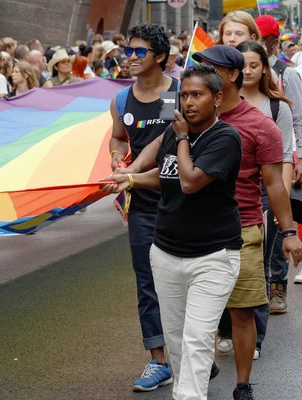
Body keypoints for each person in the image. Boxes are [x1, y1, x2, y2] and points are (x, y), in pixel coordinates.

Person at [123, 44, 302, 400]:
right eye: (197, 69)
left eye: (211, 69)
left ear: (227, 82)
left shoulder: (256, 126)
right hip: (177, 240)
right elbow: (163, 155)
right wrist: (128, 173)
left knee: (239, 313)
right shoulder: (181, 118)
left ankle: (242, 384)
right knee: (186, 333)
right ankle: (198, 369)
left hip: (240, 231)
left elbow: (273, 184)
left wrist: (288, 231)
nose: (188, 99)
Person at [103, 63, 243, 400]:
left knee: (196, 338)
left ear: (218, 98)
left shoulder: (225, 138)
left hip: (213, 257)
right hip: (166, 253)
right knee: (178, 341)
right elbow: (166, 177)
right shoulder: (172, 135)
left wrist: (181, 137)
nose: (189, 102)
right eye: (185, 96)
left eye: (198, 95)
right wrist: (132, 178)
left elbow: (189, 181)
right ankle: (185, 392)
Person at [108, 23, 177, 392]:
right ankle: (159, 360)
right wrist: (118, 159)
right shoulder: (121, 101)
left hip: (183, 203)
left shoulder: (179, 94)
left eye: (139, 52)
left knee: (179, 280)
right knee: (147, 282)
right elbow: (118, 139)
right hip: (142, 205)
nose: (129, 57)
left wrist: (133, 169)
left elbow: (169, 139)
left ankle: (187, 350)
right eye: (127, 50)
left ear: (160, 56)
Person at [234, 40, 295, 361]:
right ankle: (226, 330)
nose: (247, 71)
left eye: (254, 65)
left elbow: (284, 157)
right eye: (241, 65)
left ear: (264, 69)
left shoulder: (276, 108)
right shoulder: (220, 104)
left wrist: (280, 206)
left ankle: (254, 337)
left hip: (265, 193)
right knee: (225, 267)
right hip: (228, 196)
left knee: (257, 268)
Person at [255, 14, 302, 314]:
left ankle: (278, 285)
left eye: (260, 39)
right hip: (249, 163)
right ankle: (255, 286)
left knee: (279, 220)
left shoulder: (288, 74)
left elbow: (297, 120)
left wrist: (299, 159)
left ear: (272, 42)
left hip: (283, 158)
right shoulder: (237, 74)